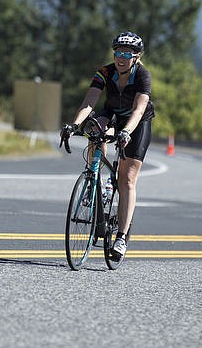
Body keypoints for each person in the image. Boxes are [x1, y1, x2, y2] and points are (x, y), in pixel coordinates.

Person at [60, 31, 155, 259]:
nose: (121, 58)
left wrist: (125, 132)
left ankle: (121, 238)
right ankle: (95, 178)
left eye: (127, 54)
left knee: (128, 177)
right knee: (93, 129)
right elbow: (89, 101)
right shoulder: (105, 72)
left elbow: (139, 109)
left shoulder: (143, 76)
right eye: (117, 52)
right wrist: (74, 125)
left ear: (137, 56)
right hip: (112, 115)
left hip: (137, 122)